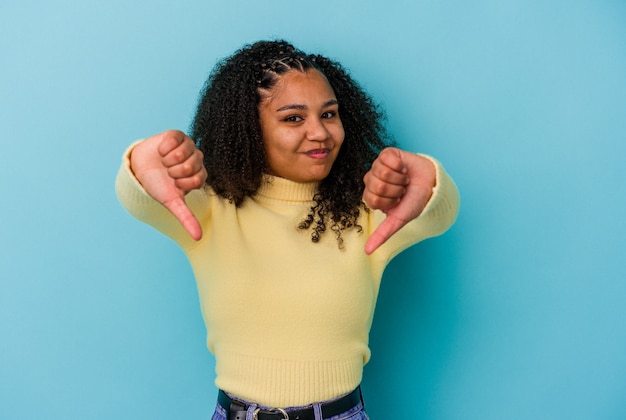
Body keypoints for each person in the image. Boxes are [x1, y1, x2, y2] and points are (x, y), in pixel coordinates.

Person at [116, 39, 459, 420]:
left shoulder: (365, 214)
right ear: (248, 129)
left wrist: (429, 180)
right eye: (293, 118)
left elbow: (436, 214)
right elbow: (141, 198)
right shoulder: (211, 209)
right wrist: (142, 161)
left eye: (329, 114)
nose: (320, 133)